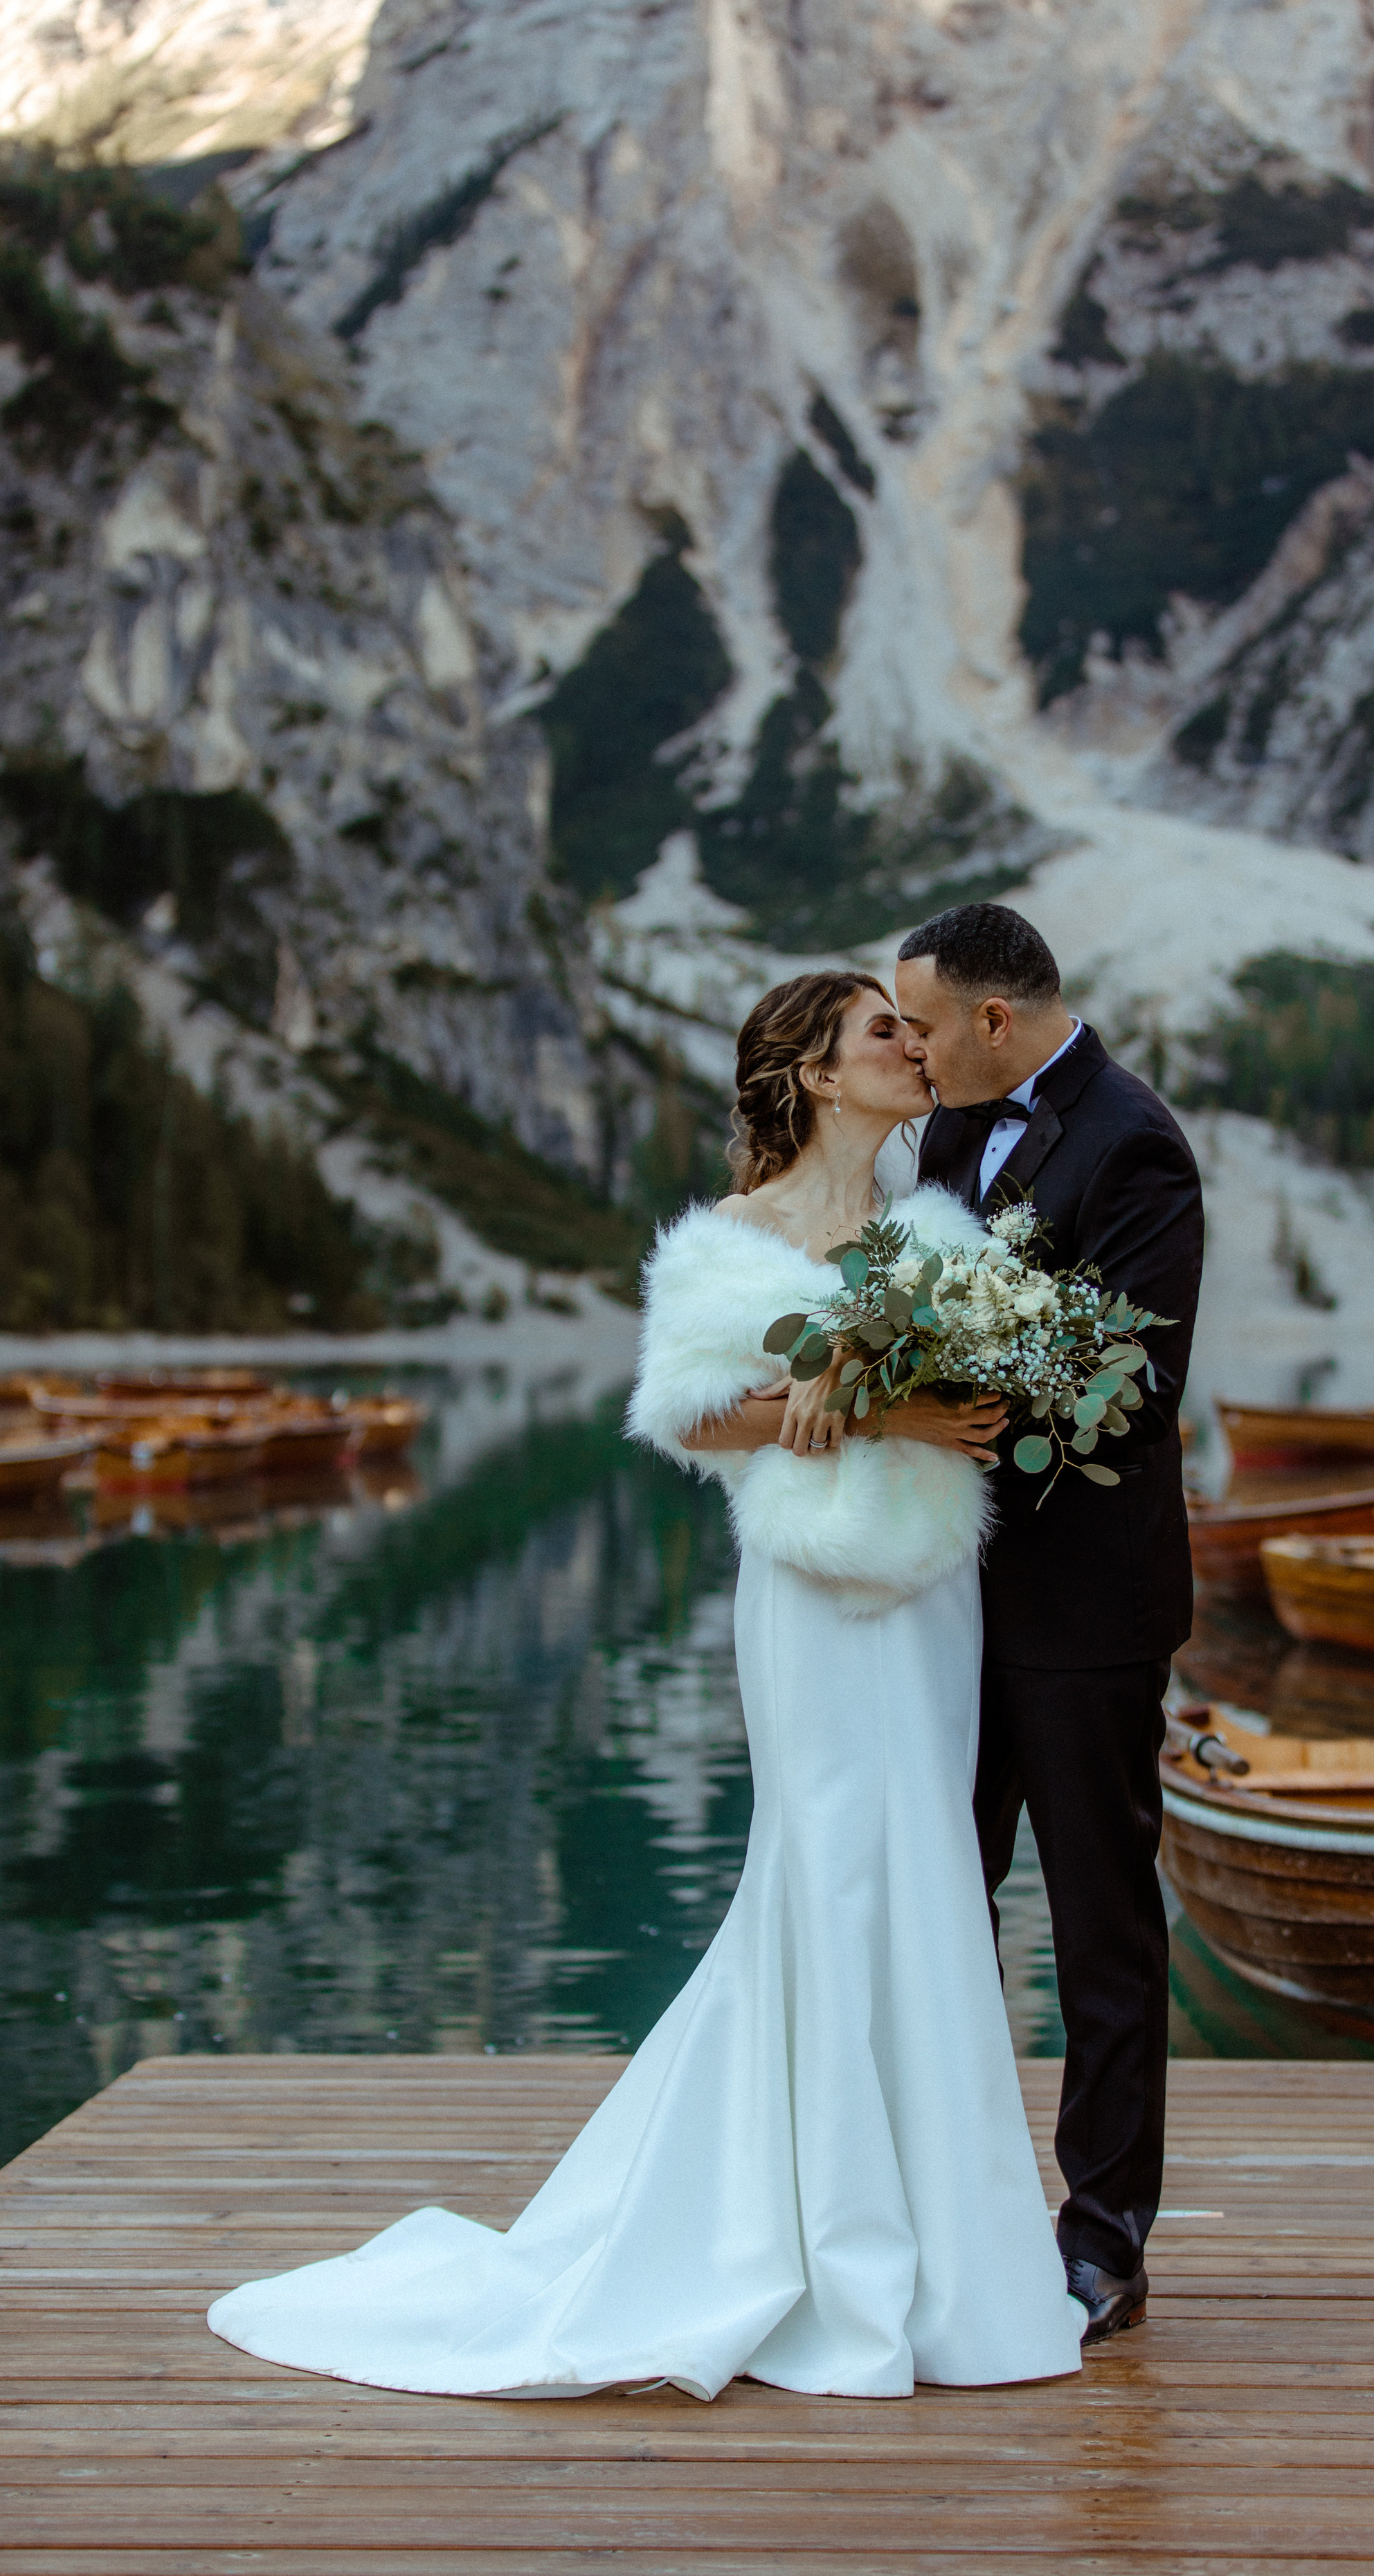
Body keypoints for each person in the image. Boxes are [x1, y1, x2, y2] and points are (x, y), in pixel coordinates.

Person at [207, 969, 1083, 2402]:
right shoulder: (727, 1246)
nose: (914, 1051)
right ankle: (808, 2246)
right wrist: (844, 1395)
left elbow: (982, 1414)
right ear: (811, 1071)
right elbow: (687, 1414)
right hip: (803, 1603)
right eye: (884, 1032)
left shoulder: (939, 1238)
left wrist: (864, 1389)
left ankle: (944, 2260)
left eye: (915, 1032)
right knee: (820, 1877)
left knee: (924, 1876)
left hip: (930, 1601)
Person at [898, 903, 1203, 2344]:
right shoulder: (952, 1134)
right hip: (946, 1601)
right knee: (938, 1908)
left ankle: (1102, 2240)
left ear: (993, 1021)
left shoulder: (1134, 1141)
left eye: (923, 1024)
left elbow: (1131, 1393)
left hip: (1086, 1609)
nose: (910, 1048)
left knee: (1097, 1930)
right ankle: (939, 2208)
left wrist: (959, 1364)